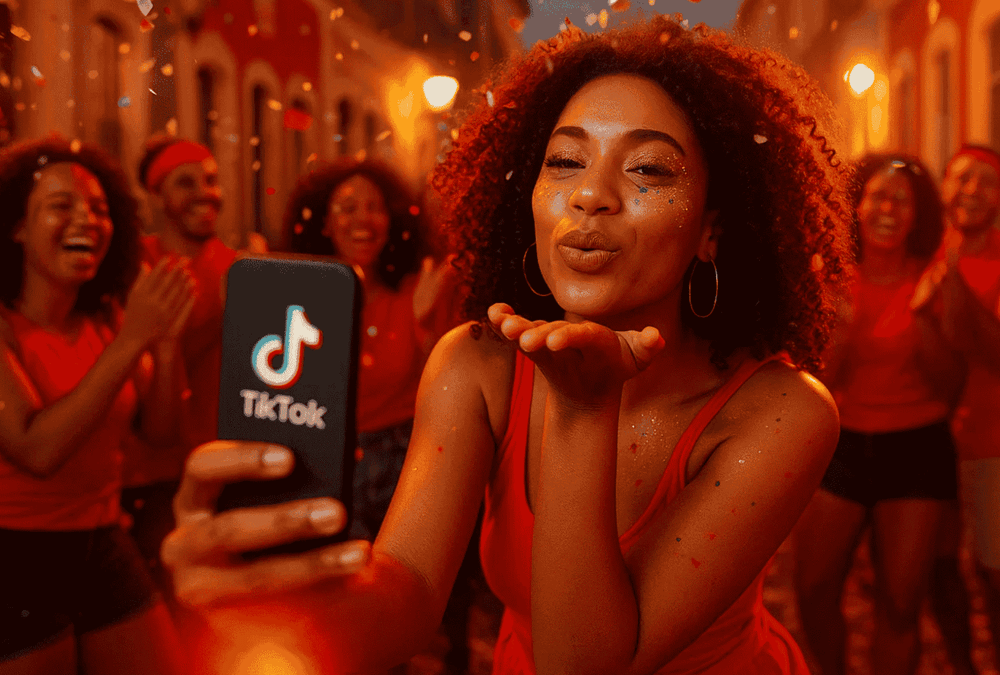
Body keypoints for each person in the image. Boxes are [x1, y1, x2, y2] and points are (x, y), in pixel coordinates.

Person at [161, 17, 851, 675]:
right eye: (565, 160)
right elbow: (407, 590)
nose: (591, 195)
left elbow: (584, 664)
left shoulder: (783, 411)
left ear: (712, 230)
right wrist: (285, 604)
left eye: (648, 170)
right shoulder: (477, 363)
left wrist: (582, 408)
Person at [0, 137, 194, 674]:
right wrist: (134, 340)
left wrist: (166, 342)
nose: (86, 219)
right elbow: (36, 450)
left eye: (99, 209)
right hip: (16, 554)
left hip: (103, 541)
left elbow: (161, 434)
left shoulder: (106, 319)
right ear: (16, 226)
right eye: (61, 206)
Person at [790, 155, 963, 675]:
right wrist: (840, 324)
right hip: (840, 443)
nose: (888, 208)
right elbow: (816, 384)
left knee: (901, 604)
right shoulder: (831, 277)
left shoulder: (935, 279)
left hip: (917, 448)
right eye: (878, 196)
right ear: (856, 207)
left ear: (919, 215)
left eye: (902, 200)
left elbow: (953, 387)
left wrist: (923, 319)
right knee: (814, 588)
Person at [914, 145, 1000, 675]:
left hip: (994, 443)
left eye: (986, 182)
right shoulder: (920, 252)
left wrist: (956, 284)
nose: (971, 191)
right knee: (939, 569)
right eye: (962, 179)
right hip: (927, 440)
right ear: (944, 187)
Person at [285, 158, 459, 541]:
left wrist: (424, 324)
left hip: (408, 459)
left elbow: (449, 395)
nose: (363, 220)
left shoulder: (422, 286)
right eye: (347, 209)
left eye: (375, 207)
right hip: (326, 462)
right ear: (325, 224)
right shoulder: (301, 298)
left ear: (392, 221)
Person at [119, 135, 239, 594]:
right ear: (156, 195)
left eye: (210, 180)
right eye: (185, 182)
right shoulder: (138, 267)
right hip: (154, 477)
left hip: (223, 468)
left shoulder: (234, 265)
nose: (205, 193)